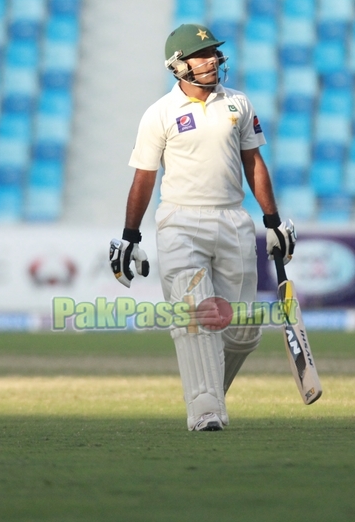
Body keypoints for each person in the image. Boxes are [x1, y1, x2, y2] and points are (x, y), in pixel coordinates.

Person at [109, 23, 296, 431]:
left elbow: (254, 164)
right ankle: (206, 410)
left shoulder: (239, 104)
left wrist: (273, 222)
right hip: (180, 220)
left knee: (242, 331)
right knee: (196, 315)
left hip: (232, 220)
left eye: (214, 52)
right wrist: (130, 236)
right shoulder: (159, 114)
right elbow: (144, 178)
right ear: (178, 66)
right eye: (201, 54)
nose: (212, 59)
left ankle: (208, 389)